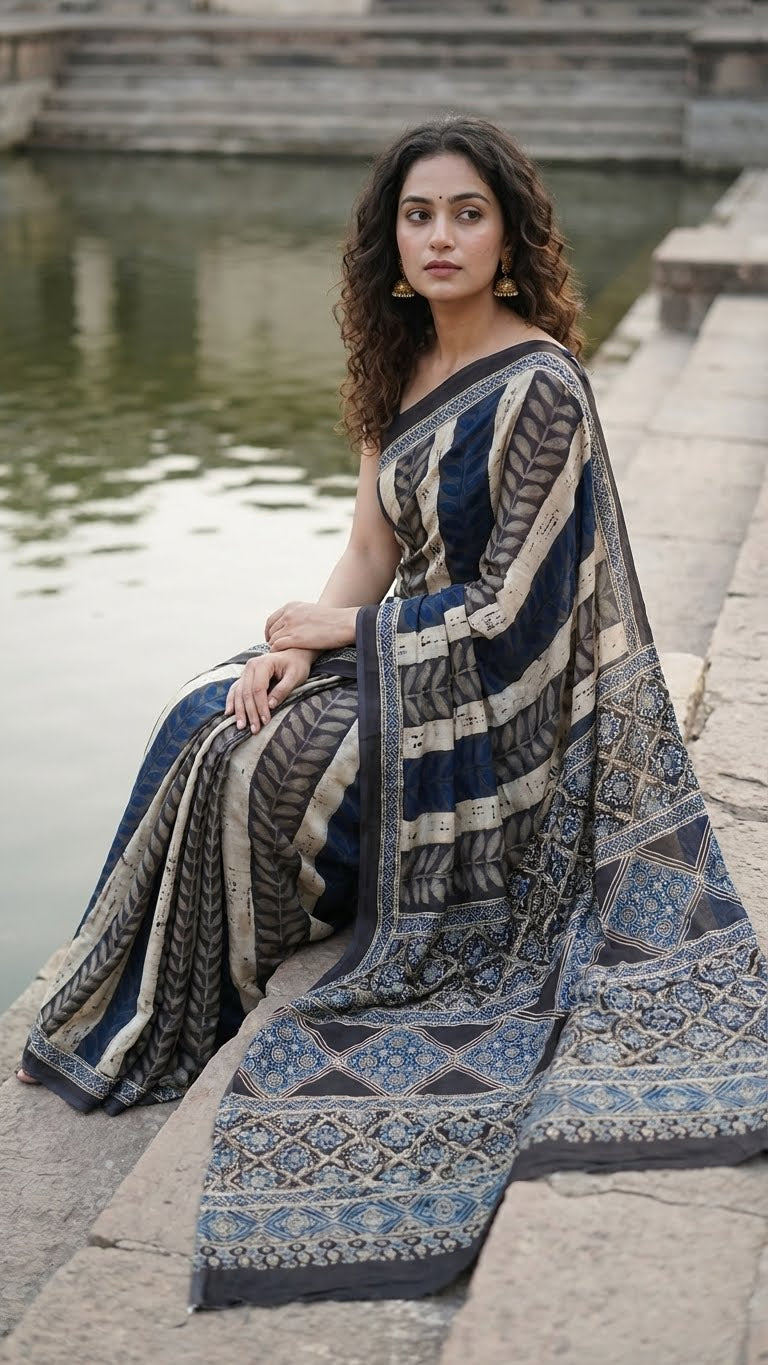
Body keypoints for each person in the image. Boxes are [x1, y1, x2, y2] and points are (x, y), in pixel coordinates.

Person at [18, 118, 767, 1313]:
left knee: (279, 775)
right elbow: (371, 546)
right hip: (400, 651)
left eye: (467, 214)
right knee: (207, 718)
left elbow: (518, 617)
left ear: (510, 236)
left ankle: (264, 949)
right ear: (392, 240)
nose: (441, 237)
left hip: (497, 717)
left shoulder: (542, 385)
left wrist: (343, 641)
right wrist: (295, 638)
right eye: (420, 216)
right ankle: (151, 1008)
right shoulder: (398, 360)